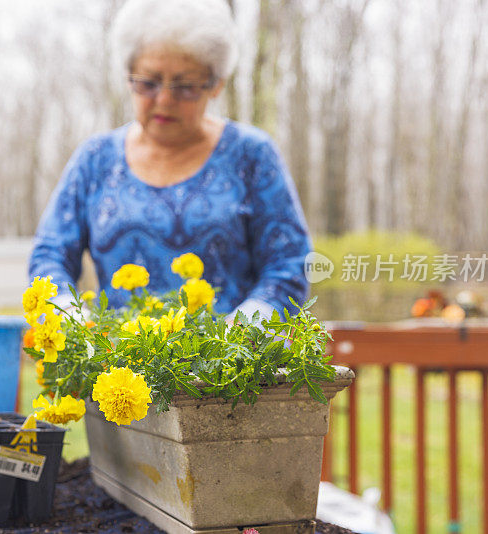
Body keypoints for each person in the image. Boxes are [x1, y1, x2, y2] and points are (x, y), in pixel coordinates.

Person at [28, 0, 311, 321]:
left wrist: (241, 336)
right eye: (148, 83)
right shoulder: (95, 160)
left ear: (215, 84)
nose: (164, 99)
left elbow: (289, 264)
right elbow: (49, 256)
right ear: (128, 76)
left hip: (232, 365)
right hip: (116, 364)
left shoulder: (252, 155)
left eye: (185, 87)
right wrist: (72, 322)